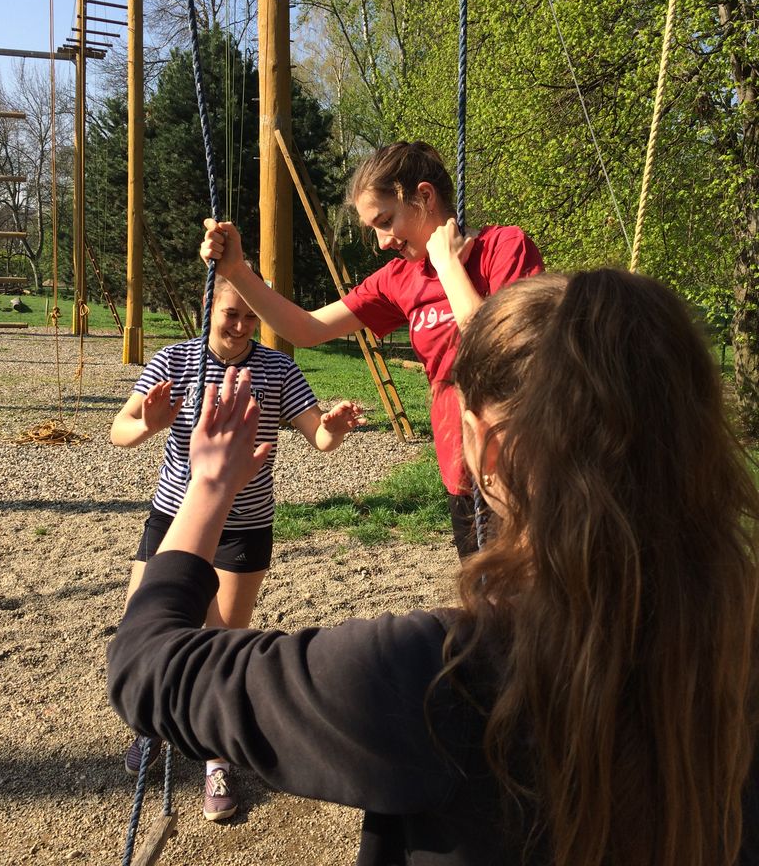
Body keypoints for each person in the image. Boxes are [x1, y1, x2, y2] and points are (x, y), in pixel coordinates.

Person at [108, 268, 759, 866]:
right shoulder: (736, 647)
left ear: (485, 449)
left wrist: (210, 485)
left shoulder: (436, 675)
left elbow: (148, 666)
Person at [199, 141, 544, 559]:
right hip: (460, 472)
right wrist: (237, 272)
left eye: (385, 221)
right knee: (485, 594)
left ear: (424, 196)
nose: (382, 242)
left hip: (521, 468)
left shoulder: (504, 248)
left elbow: (497, 352)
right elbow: (306, 329)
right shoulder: (399, 278)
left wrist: (448, 266)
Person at [110, 270, 364, 821]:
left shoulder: (277, 368)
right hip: (174, 517)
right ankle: (152, 727)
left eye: (252, 316)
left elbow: (318, 436)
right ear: (209, 305)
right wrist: (148, 424)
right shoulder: (175, 360)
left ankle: (216, 757)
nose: (243, 326)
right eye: (232, 313)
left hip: (245, 523)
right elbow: (119, 430)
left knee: (223, 638)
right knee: (147, 622)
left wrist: (334, 427)